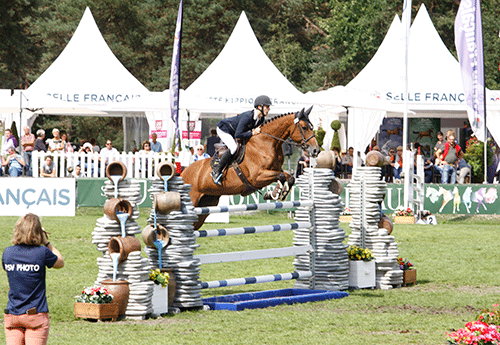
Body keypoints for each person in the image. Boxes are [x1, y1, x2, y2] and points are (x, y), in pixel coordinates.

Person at [2, 213, 64, 345]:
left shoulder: (7, 252)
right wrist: (47, 242)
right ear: (38, 233)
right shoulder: (42, 252)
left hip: (12, 314)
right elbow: (60, 262)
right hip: (35, 315)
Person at [211, 95, 271, 184]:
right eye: (267, 106)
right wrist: (252, 133)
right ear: (259, 107)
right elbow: (238, 134)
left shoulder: (261, 118)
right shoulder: (248, 117)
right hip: (224, 129)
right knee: (233, 148)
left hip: (234, 131)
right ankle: (216, 171)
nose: (269, 109)